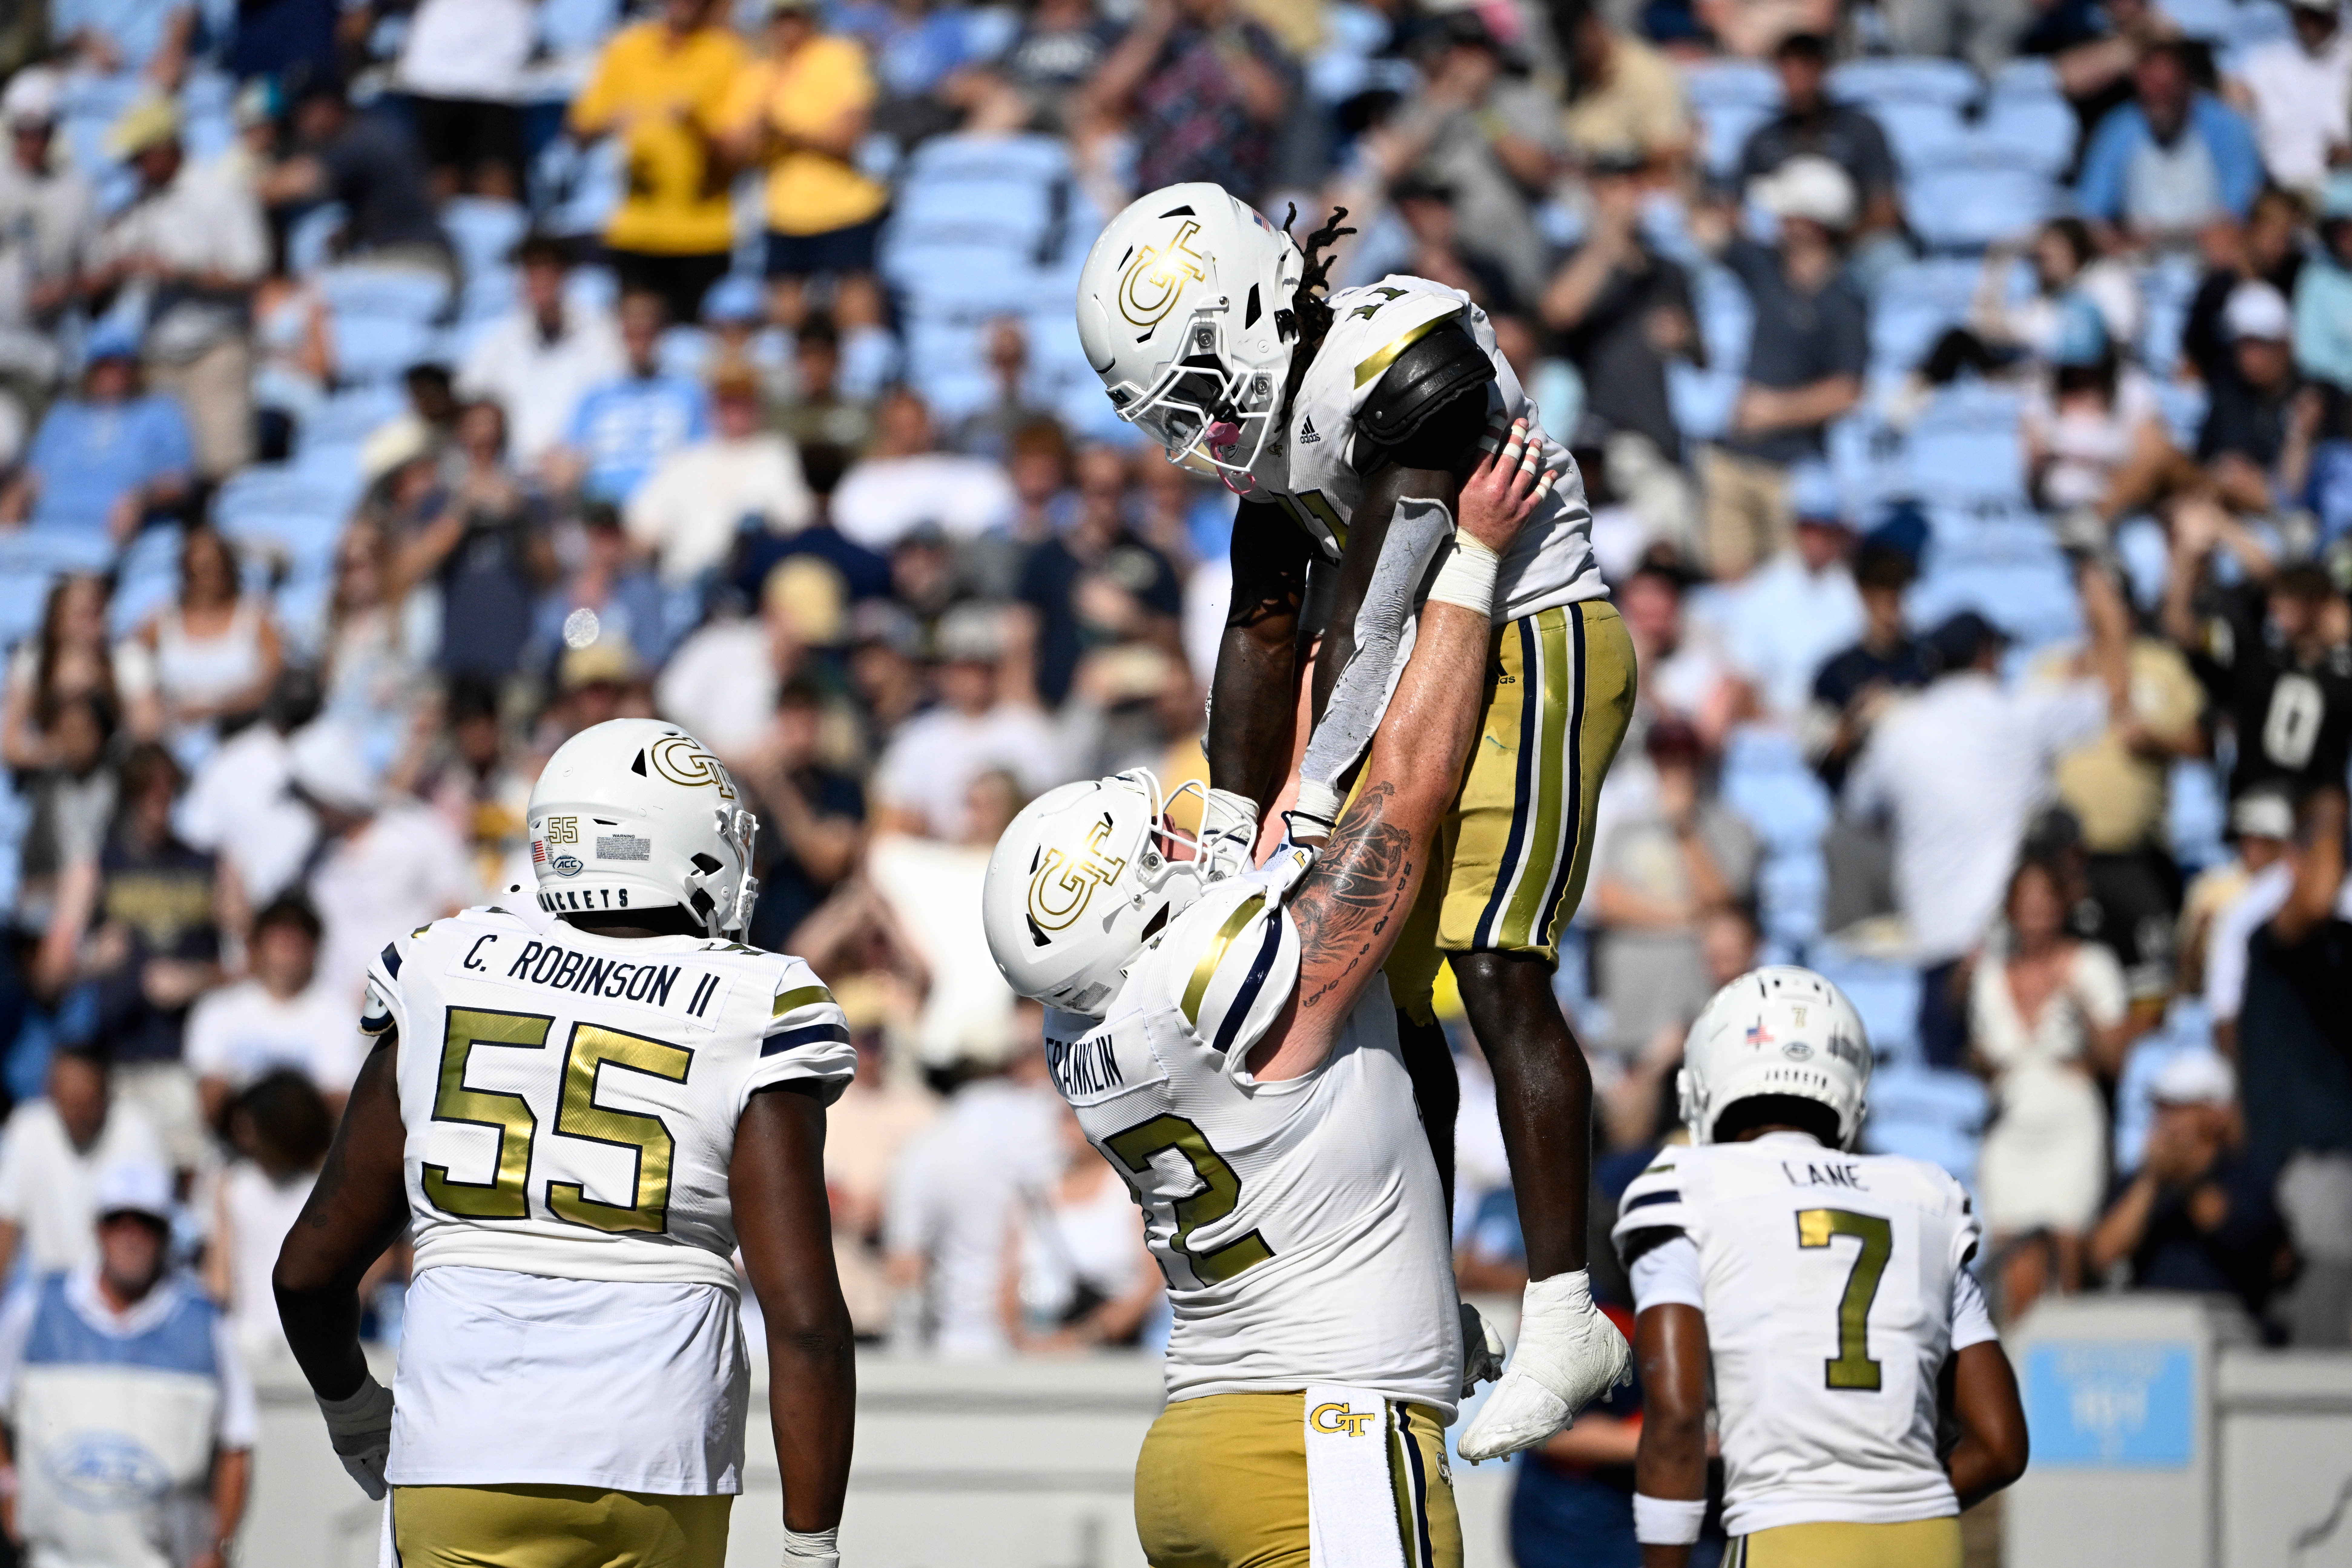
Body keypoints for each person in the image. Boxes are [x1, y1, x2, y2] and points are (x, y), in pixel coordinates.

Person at [979, 423, 1621, 1562]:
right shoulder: (1211, 985)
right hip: (1321, 1438)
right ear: (1130, 909)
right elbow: (1405, 800)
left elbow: (1289, 822)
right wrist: (1468, 559)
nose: (1182, 836)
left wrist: (1330, 616)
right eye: (1155, 848)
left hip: (1196, 1446)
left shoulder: (1083, 1018)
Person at [1075, 188, 1635, 1459]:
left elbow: (1375, 614)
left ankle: (1563, 1307)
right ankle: (1432, 1290)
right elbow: (1263, 630)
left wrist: (1312, 798)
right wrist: (1226, 836)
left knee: (1499, 964)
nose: (1195, 430)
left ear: (1255, 312)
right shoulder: (1278, 432)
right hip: (1439, 667)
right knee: (1388, 1000)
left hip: (1535, 633)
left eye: (1197, 388)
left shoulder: (1401, 352)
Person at [272, 717, 858, 1568]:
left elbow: (308, 1269)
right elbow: (804, 1322)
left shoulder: (446, 964)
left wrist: (354, 1410)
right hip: (660, 1457)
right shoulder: (756, 1000)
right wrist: (814, 1548)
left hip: (463, 1448)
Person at [1617, 968, 2030, 1567]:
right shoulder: (1922, 1195)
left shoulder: (1687, 1184)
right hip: (1924, 1544)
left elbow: (1677, 1418)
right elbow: (2000, 1446)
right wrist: (1896, 1504)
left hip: (1786, 1536)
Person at [1844, 574, 2131, 1069]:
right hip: (2002, 950)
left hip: (1935, 945)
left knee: (1942, 1114)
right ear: (1986, 656)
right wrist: (2110, 620)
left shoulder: (1900, 731)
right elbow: (2112, 698)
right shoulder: (2016, 714)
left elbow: (1857, 808)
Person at [0, 1162, 255, 1568]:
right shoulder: (34, 1308)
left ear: (167, 1233)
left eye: (147, 1222)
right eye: (117, 1219)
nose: (131, 1234)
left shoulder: (207, 1323)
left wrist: (218, 1550)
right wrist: (8, 1490)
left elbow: (237, 1444)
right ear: (98, 1229)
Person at [1968, 856, 2133, 1311]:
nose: (2036, 911)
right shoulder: (1989, 974)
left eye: (2045, 900)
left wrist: (2081, 1010)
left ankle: (2065, 1357)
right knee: (2011, 1250)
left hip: (2070, 1121)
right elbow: (1983, 1055)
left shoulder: (2091, 965)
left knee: (2066, 1246)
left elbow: (2116, 1059)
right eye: (2027, 901)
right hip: (2011, 1123)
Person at [82, 96, 268, 481]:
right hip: (160, 354)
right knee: (167, 471)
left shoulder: (221, 191)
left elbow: (251, 273)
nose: (133, 168)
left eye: (139, 157)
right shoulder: (140, 201)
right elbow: (114, 260)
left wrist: (181, 274)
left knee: (222, 465)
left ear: (165, 149)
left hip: (215, 349)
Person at [1703, 156, 1869, 578]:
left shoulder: (1844, 302)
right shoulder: (1767, 268)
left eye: (1787, 212)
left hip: (1789, 474)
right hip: (1734, 461)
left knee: (1781, 582)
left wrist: (1774, 411)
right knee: (1730, 583)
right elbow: (1708, 232)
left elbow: (1847, 391)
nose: (1776, 219)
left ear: (1811, 224)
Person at [567, 0, 751, 325]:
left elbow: (740, 151)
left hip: (702, 232)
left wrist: (695, 126)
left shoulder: (727, 55)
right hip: (637, 229)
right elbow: (578, 130)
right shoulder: (628, 49)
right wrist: (610, 122)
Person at [721, 0, 889, 332]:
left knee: (855, 296)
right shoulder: (759, 73)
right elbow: (734, 147)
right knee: (784, 302)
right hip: (785, 210)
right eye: (780, 21)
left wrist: (788, 134)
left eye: (794, 19)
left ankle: (864, 373)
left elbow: (848, 137)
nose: (787, 30)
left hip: (844, 204)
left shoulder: (838, 58)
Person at [2086, 1050, 2286, 1322]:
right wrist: (2151, 1181)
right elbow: (2101, 1256)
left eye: (2179, 1106)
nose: (2165, 1118)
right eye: (2160, 1106)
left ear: (2217, 1114)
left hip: (2230, 1330)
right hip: (2152, 1330)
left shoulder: (2247, 1175)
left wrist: (2186, 1182)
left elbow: (2247, 1242)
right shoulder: (2141, 1180)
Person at [627, 358, 815, 588]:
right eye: (726, 401)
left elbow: (796, 520)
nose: (735, 409)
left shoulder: (776, 454)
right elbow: (642, 528)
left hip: (749, 588)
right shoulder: (684, 460)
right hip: (684, 586)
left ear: (758, 404)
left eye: (743, 400)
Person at [184, 895, 364, 1123]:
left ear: (315, 949)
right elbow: (210, 1099)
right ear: (255, 947)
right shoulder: (218, 1009)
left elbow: (339, 1097)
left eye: (297, 941)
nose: (287, 952)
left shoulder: (342, 1015)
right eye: (279, 940)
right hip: (236, 1146)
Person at [0, 331, 195, 540]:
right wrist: (15, 498)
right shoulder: (65, 415)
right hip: (52, 532)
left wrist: (141, 498)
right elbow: (34, 476)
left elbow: (179, 481)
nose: (112, 375)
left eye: (121, 366)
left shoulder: (159, 412)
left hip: (134, 538)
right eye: (104, 366)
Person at [457, 233, 627, 471]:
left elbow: (614, 408)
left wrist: (577, 453)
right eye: (531, 270)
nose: (538, 280)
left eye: (547, 270)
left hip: (577, 466)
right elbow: (470, 403)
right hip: (510, 469)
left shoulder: (601, 337)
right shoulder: (498, 341)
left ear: (564, 276)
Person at [1001, 1104, 1163, 1351]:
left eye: (1084, 1118)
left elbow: (1152, 1282)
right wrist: (1023, 1341)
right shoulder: (1035, 1193)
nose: (1074, 1128)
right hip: (1035, 1351)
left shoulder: (1132, 1192)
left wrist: (1080, 1339)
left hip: (1112, 1353)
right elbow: (1007, 1281)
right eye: (1066, 1117)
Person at [2075, 41, 2264, 247]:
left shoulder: (2225, 125)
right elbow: (2091, 209)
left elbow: (2239, 204)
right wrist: (2113, 239)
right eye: (2151, 90)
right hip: (2139, 251)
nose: (2159, 100)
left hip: (2209, 247)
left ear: (2186, 84)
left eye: (2167, 88)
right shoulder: (2119, 128)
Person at [0, 1049, 164, 1283]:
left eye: (88, 1104)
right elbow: (6, 1227)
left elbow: (149, 1229)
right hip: (50, 1290)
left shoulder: (136, 1128)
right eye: (70, 1104)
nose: (79, 1115)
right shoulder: (27, 1129)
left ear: (107, 1095)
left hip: (120, 1289)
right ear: (52, 1095)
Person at [1733, 34, 1901, 245]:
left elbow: (1884, 211)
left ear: (1823, 71)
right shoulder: (1761, 139)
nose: (1796, 83)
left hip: (1851, 248)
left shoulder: (1861, 131)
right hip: (1778, 251)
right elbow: (1737, 210)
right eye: (1787, 72)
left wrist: (1832, 244)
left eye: (1805, 70)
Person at [555, 290, 713, 506]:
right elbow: (571, 457)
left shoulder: (689, 392)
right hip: (603, 515)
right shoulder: (595, 396)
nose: (639, 342)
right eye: (632, 332)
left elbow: (701, 458)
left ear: (662, 333)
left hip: (667, 510)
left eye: (647, 332)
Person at [2224, 0, 2352, 203]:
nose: (2309, 23)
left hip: (2341, 191)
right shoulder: (2263, 62)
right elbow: (2234, 118)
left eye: (2317, 15)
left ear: (2336, 12)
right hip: (2278, 192)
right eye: (2302, 14)